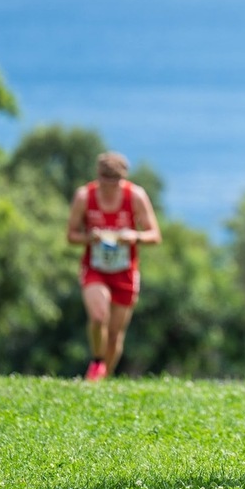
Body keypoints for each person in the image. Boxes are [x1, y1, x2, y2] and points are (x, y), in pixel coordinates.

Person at [66, 151, 162, 381]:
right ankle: (97, 362)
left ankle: (101, 380)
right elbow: (71, 235)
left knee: (115, 335)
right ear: (98, 176)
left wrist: (134, 236)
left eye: (114, 182)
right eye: (105, 181)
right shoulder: (84, 196)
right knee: (99, 316)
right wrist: (90, 238)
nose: (109, 187)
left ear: (123, 179)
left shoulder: (135, 196)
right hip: (95, 268)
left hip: (125, 271)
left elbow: (155, 234)